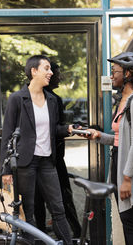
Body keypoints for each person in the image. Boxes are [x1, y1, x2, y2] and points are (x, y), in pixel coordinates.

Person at [0, 55, 74, 245]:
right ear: (34, 71)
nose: (51, 73)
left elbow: (53, 129)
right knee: (29, 212)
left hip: (47, 162)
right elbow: (7, 134)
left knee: (58, 209)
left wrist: (68, 129)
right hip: (26, 163)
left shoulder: (51, 99)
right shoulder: (17, 99)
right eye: (46, 68)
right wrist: (6, 170)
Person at [86, 52, 133, 245]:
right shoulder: (122, 102)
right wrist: (99, 136)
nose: (111, 76)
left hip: (129, 169)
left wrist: (127, 178)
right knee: (127, 222)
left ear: (127, 74)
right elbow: (120, 139)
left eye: (114, 71)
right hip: (120, 163)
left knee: (130, 222)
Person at [34, 62, 81, 237]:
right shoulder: (49, 99)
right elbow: (53, 129)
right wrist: (69, 128)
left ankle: (42, 234)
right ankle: (75, 233)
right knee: (62, 199)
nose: (58, 75)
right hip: (51, 160)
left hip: (49, 158)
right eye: (54, 72)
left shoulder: (50, 98)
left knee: (41, 199)